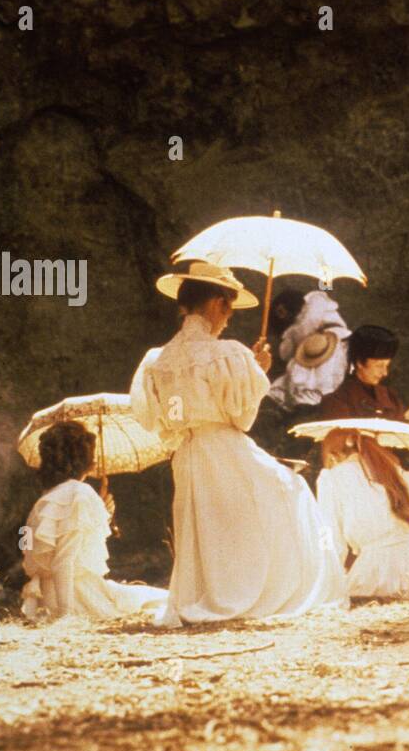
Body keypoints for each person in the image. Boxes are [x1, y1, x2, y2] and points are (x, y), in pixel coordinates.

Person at [130, 262, 346, 627]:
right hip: (223, 447)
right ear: (216, 303)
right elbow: (240, 416)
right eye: (228, 308)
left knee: (211, 525)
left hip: (186, 452)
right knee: (288, 490)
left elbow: (152, 416)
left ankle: (211, 593)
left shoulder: (156, 359)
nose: (228, 319)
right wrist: (257, 372)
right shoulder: (228, 353)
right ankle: (254, 592)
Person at [319, 325, 409, 569]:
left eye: (387, 366)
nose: (384, 373)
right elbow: (337, 449)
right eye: (378, 366)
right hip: (360, 474)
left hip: (392, 468)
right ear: (359, 363)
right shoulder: (337, 401)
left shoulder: (390, 396)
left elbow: (400, 436)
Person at [20, 421, 168, 620]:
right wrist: (66, 615)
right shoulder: (78, 493)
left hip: (49, 596)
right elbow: (64, 561)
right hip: (78, 597)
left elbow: (33, 557)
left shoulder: (43, 502)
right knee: (165, 600)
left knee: (148, 596)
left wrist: (102, 512)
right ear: (84, 459)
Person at [317, 429, 409, 600]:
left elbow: (330, 539)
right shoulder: (399, 473)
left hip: (378, 573)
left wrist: (327, 581)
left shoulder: (331, 478)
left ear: (333, 455)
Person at [266, 288, 351, 413]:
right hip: (310, 350)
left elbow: (308, 325)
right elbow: (285, 353)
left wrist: (295, 337)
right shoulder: (298, 338)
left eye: (282, 311)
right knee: (294, 381)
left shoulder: (316, 301)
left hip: (331, 345)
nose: (283, 314)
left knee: (322, 380)